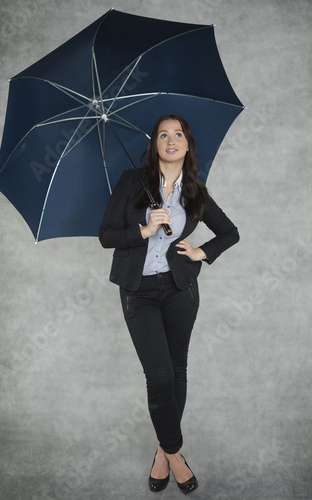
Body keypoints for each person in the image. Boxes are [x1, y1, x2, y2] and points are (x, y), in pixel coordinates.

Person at [99, 114, 239, 495]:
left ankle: (162, 451)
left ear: (188, 145)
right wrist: (143, 228)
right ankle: (176, 454)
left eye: (178, 134)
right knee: (158, 377)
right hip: (138, 291)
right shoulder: (133, 181)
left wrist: (200, 252)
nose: (171, 140)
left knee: (177, 370)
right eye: (163, 135)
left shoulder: (195, 191)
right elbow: (106, 236)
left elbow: (230, 233)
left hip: (180, 290)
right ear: (155, 144)